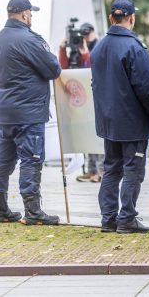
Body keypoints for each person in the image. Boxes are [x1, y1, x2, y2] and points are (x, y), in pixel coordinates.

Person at [91, 0, 149, 233]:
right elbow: (147, 89)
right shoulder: (135, 47)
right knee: (133, 170)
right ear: (132, 18)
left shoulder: (99, 46)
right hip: (131, 121)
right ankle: (127, 218)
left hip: (107, 121)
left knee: (111, 169)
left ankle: (108, 218)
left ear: (112, 18)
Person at [0, 0, 62, 225]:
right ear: (25, 14)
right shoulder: (29, 40)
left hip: (5, 111)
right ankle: (33, 211)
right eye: (31, 13)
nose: (31, 17)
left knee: (4, 159)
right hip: (28, 112)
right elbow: (53, 68)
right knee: (31, 159)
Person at [58, 22, 105, 184]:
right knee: (86, 134)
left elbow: (95, 70)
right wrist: (62, 49)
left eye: (87, 35)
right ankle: (91, 169)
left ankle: (101, 171)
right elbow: (62, 69)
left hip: (95, 98)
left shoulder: (99, 46)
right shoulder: (74, 50)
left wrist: (85, 54)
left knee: (97, 135)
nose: (83, 39)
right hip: (80, 100)